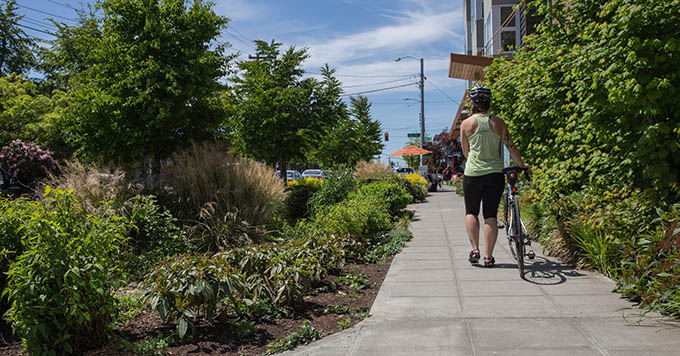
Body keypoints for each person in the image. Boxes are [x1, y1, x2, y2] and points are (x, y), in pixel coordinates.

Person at [460, 85, 528, 267]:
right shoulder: (498, 122)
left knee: (471, 211)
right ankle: (488, 257)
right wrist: (522, 164)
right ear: (489, 102)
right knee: (490, 215)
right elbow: (510, 146)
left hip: (473, 173)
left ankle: (475, 249)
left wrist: (474, 162)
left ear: (473, 103)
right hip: (494, 174)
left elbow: (465, 151)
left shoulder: (466, 124)